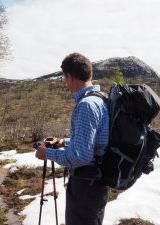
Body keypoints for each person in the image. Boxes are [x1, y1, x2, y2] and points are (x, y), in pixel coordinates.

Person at [35, 52, 109, 225]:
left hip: (85, 186)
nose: (65, 82)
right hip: (96, 185)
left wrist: (47, 154)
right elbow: (94, 143)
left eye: (65, 77)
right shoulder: (101, 100)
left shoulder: (85, 105)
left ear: (70, 77)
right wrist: (63, 142)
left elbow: (81, 156)